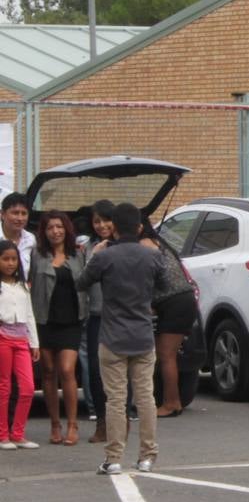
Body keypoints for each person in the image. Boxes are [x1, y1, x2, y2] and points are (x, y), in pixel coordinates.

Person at [77, 202, 170, 475]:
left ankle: (114, 457)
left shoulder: (105, 256)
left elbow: (82, 282)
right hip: (142, 335)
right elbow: (164, 287)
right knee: (145, 398)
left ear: (114, 228)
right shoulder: (151, 255)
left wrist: (95, 254)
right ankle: (147, 456)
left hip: (112, 336)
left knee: (115, 400)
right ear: (140, 227)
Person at [31, 210, 85, 446]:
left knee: (66, 370)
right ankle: (55, 424)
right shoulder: (37, 255)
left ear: (67, 229)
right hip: (44, 321)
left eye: (59, 227)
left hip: (71, 321)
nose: (55, 231)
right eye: (50, 227)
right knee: (49, 372)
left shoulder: (77, 255)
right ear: (44, 231)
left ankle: (72, 424)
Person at [142, 219, 197, 418]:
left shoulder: (144, 245)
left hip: (175, 302)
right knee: (166, 355)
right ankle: (171, 400)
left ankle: (171, 403)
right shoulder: (158, 241)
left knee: (166, 356)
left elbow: (153, 278)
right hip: (181, 300)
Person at [79, 200, 116, 443]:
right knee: (95, 371)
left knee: (120, 371)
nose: (102, 225)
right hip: (95, 316)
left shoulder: (125, 245)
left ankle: (120, 420)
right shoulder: (89, 247)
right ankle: (101, 421)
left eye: (106, 220)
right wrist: (94, 256)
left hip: (120, 318)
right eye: (97, 221)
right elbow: (83, 280)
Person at [0, 239, 39, 450]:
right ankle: (3, 435)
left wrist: (35, 343)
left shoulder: (23, 286)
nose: (10, 263)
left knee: (28, 388)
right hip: (3, 338)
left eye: (13, 259)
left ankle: (18, 433)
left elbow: (30, 315)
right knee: (4, 388)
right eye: (5, 259)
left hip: (22, 339)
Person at [0, 192, 36, 278]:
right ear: (2, 214)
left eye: (24, 213)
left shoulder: (30, 239)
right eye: (15, 213)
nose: (20, 218)